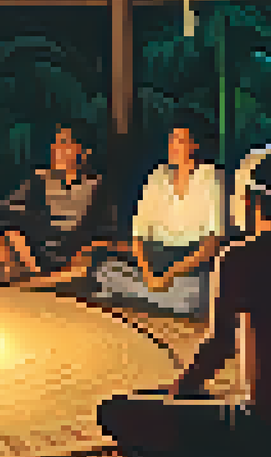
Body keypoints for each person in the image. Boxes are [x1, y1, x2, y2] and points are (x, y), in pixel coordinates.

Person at [97, 147, 271, 457]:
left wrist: (175, 396)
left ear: (248, 199)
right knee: (186, 398)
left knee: (116, 411)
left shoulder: (239, 257)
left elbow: (217, 347)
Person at [95, 111, 226, 317]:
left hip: (189, 264)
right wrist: (148, 273)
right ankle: (158, 296)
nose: (173, 146)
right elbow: (138, 235)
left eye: (180, 140)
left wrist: (171, 273)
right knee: (103, 269)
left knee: (200, 292)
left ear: (195, 145)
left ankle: (145, 295)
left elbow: (212, 243)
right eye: (172, 140)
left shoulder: (211, 177)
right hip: (155, 257)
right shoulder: (157, 176)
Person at [0, 124, 126, 288]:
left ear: (84, 152)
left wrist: (90, 249)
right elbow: (6, 217)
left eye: (65, 144)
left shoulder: (99, 188)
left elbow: (108, 234)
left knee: (95, 263)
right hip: (36, 254)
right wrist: (22, 249)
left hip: (74, 257)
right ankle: (32, 277)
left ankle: (34, 283)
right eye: (56, 144)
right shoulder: (38, 180)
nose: (57, 150)